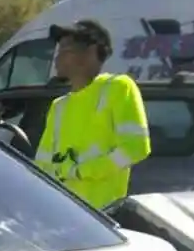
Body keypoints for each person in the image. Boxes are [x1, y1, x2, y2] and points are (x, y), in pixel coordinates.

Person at [35, 21, 151, 208]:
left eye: (65, 49)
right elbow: (42, 165)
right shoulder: (59, 106)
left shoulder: (118, 87)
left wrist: (81, 171)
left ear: (91, 52)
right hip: (62, 214)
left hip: (101, 216)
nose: (58, 57)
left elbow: (136, 147)